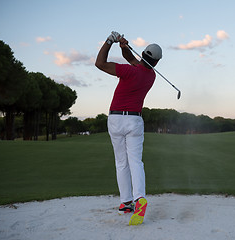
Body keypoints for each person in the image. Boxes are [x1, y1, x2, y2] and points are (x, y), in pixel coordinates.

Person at [95, 31, 162, 225]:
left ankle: (125, 203)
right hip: (134, 121)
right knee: (135, 162)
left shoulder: (129, 71)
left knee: (121, 163)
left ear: (143, 54)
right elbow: (132, 60)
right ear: (156, 62)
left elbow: (100, 63)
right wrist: (123, 46)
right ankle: (138, 199)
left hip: (116, 120)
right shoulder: (151, 75)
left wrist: (109, 41)